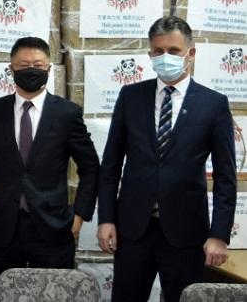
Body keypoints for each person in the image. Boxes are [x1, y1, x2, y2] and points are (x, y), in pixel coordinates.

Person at [97, 16, 236, 301]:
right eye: (158, 51)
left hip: (186, 233)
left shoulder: (213, 104)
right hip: (133, 230)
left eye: (174, 51)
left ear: (191, 53)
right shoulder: (131, 96)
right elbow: (111, 164)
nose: (165, 57)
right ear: (150, 54)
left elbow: (225, 177)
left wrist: (219, 234)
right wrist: (106, 218)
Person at [0, 36, 99, 295]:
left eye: (38, 65)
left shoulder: (67, 114)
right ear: (11, 69)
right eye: (23, 65)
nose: (31, 70)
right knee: (1, 295)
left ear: (49, 69)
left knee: (53, 297)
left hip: (52, 228)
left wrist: (80, 213)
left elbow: (90, 167)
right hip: (3, 229)